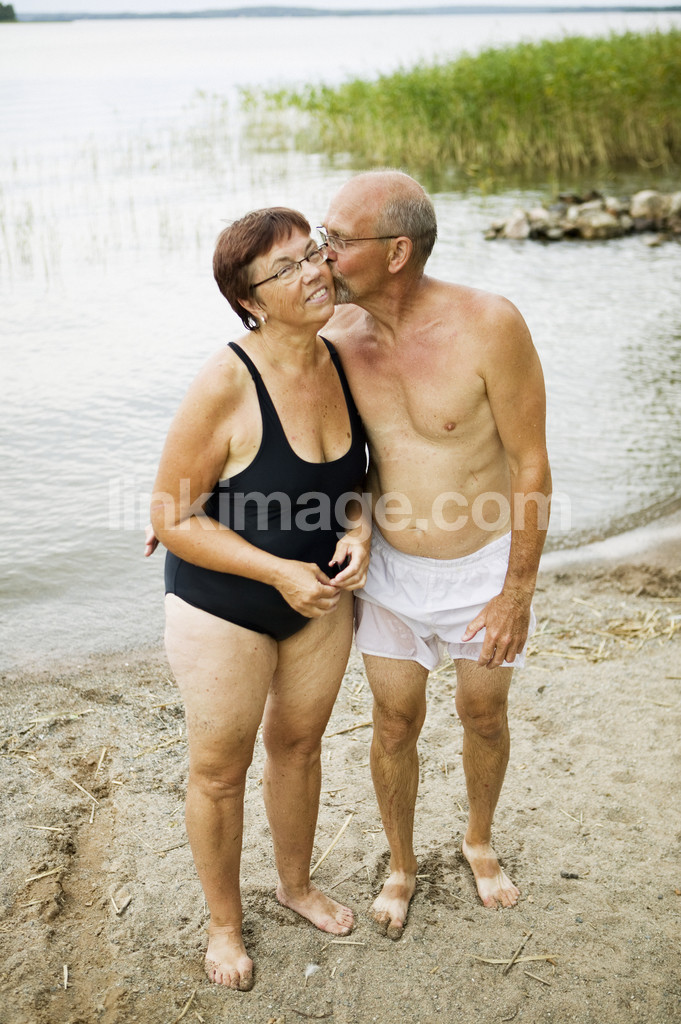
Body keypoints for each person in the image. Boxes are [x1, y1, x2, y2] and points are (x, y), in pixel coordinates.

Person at [317, 170, 552, 938]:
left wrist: (515, 591)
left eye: (336, 239)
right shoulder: (333, 337)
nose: (321, 254)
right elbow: (331, 458)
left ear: (395, 252)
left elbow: (530, 464)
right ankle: (401, 863)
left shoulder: (489, 325)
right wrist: (354, 525)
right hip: (390, 572)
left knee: (482, 714)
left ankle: (478, 840)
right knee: (393, 722)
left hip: (482, 567)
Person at [149, 208, 369, 989]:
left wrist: (360, 527)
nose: (312, 272)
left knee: (300, 746)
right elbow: (171, 516)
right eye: (285, 269)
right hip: (223, 605)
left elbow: (357, 475)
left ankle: (295, 885)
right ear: (250, 301)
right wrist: (277, 572)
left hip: (319, 598)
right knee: (219, 770)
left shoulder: (344, 349)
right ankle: (223, 923)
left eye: (311, 253)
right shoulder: (226, 380)